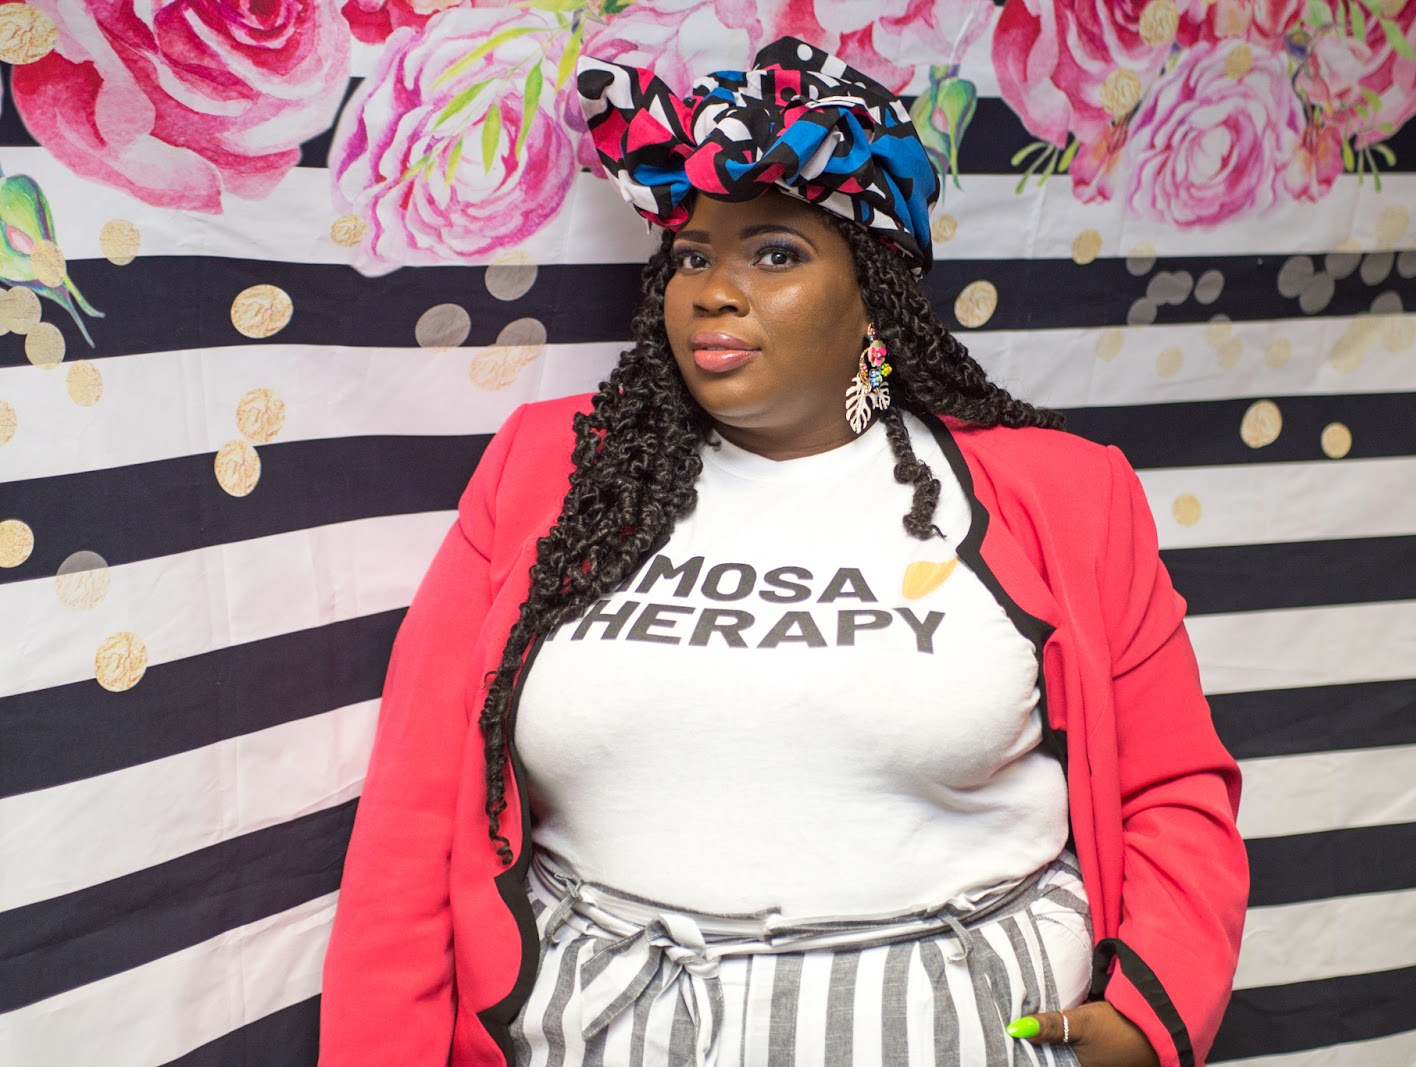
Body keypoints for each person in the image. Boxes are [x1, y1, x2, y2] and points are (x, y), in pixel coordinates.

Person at [319, 37, 1247, 1067]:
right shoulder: (546, 470)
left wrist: (1152, 1014)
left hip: (949, 1026)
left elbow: (1171, 789)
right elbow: (414, 813)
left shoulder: (1062, 493)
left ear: (875, 291)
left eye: (775, 254)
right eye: (692, 256)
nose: (714, 290)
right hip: (601, 1028)